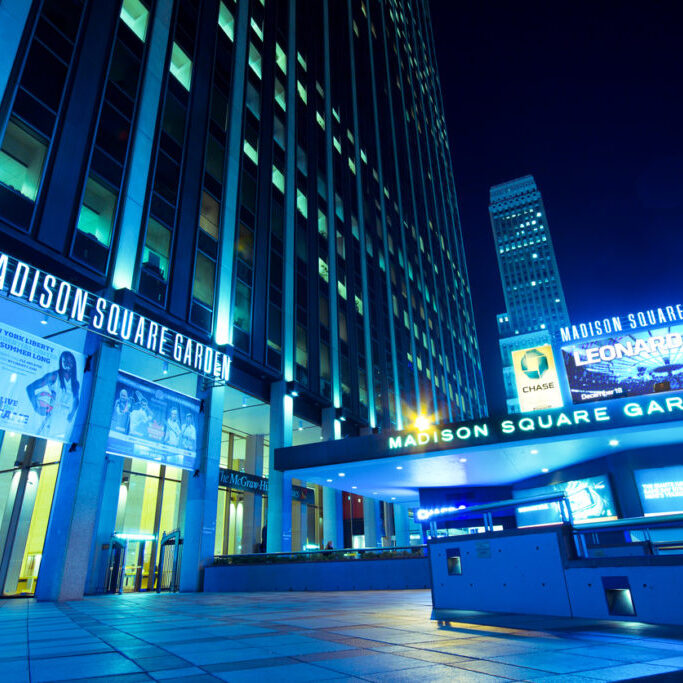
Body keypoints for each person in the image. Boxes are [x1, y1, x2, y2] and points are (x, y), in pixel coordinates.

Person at [26, 351, 80, 439]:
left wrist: (72, 414)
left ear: (73, 364)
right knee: (40, 442)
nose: (68, 364)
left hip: (65, 421)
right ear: (61, 362)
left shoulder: (75, 382)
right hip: (52, 416)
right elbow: (30, 388)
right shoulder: (54, 376)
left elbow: (77, 400)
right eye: (65, 361)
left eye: (70, 362)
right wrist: (36, 407)